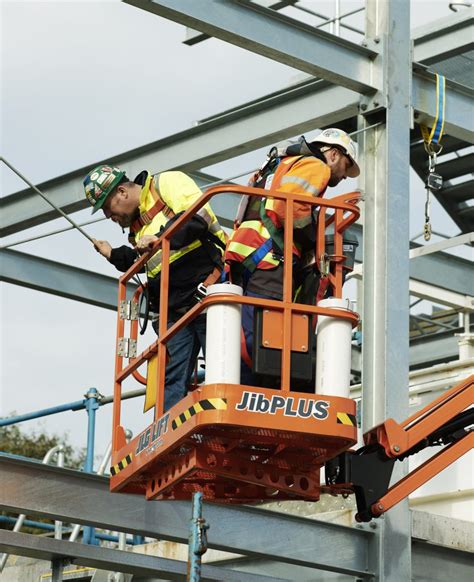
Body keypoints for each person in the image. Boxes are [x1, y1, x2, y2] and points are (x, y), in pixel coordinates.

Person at [83, 165, 227, 411]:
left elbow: (198, 219)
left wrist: (160, 238)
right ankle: (171, 434)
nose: (109, 216)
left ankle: (224, 417)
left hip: (207, 289)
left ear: (122, 192)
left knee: (220, 365)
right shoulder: (137, 226)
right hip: (174, 306)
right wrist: (113, 254)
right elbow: (147, 262)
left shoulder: (167, 183)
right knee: (171, 378)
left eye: (107, 208)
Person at [224, 127, 360, 385]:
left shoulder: (281, 164)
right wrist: (314, 239)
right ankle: (263, 392)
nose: (343, 176)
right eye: (345, 165)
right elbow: (291, 206)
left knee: (245, 331)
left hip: (248, 252)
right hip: (269, 258)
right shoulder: (316, 166)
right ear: (332, 154)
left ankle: (246, 388)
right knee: (266, 334)